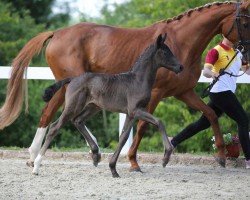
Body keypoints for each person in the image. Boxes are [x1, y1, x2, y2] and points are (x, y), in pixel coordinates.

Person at [170, 36, 250, 168]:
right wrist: (213, 74)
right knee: (243, 120)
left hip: (224, 93)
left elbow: (246, 71)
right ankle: (248, 160)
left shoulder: (237, 53)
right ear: (224, 36)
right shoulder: (215, 51)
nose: (234, 38)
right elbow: (206, 71)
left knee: (202, 123)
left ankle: (173, 142)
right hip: (220, 92)